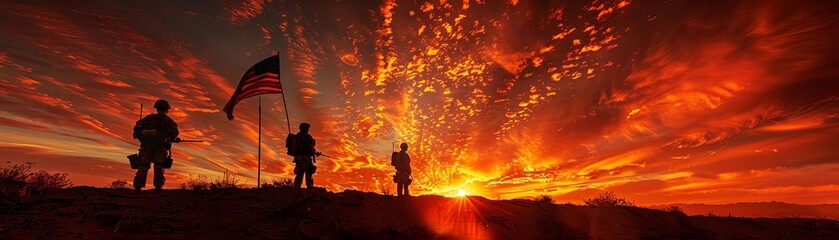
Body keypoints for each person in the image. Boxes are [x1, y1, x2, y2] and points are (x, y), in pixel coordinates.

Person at [132, 99, 179, 192]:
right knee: (158, 166)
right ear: (166, 109)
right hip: (160, 148)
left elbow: (137, 129)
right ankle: (158, 187)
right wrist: (171, 138)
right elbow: (175, 132)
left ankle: (138, 186)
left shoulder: (149, 118)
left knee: (143, 166)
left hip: (146, 147)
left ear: (156, 108)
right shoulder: (168, 121)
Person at [292, 122, 317, 188]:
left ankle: (296, 189)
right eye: (307, 128)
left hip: (298, 159)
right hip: (306, 159)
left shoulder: (296, 137)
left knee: (299, 176)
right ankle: (309, 189)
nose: (308, 129)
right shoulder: (308, 137)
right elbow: (311, 148)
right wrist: (314, 152)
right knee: (308, 175)